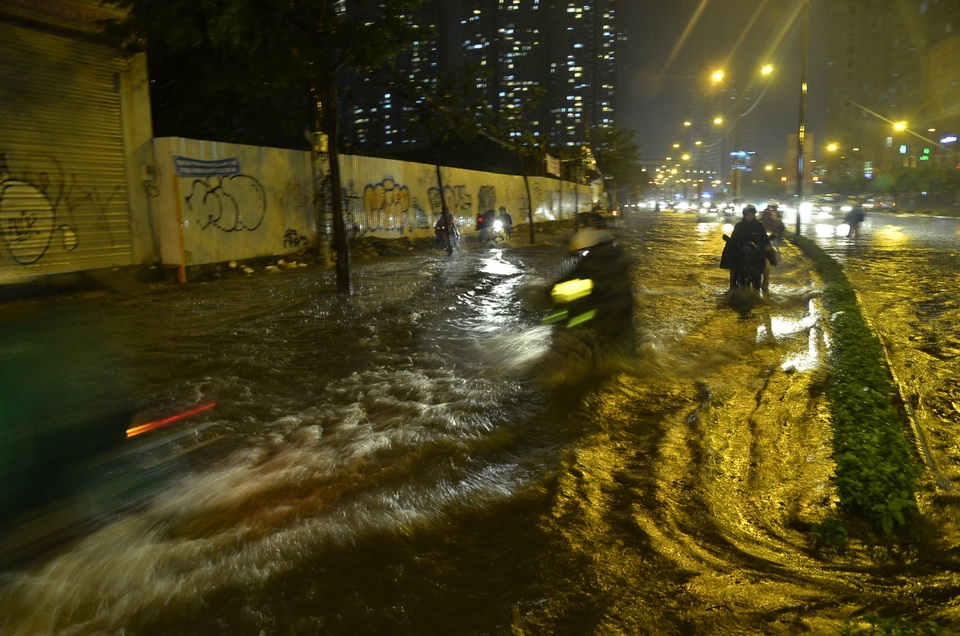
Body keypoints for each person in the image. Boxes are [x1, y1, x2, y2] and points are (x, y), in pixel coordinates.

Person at [720, 204, 776, 292]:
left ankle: (765, 280)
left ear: (754, 215)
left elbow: (764, 238)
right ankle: (732, 282)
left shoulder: (759, 225)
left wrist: (766, 245)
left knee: (767, 257)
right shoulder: (739, 226)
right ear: (744, 215)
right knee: (732, 259)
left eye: (751, 215)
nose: (749, 217)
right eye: (747, 215)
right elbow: (734, 238)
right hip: (741, 250)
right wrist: (733, 244)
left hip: (756, 251)